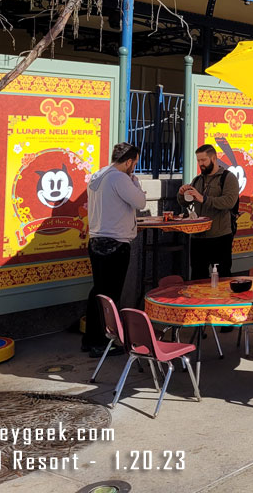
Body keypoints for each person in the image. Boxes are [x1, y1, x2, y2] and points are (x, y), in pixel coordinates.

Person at [82, 142, 146, 357]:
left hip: (97, 240)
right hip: (116, 243)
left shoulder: (98, 175)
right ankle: (102, 342)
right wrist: (135, 181)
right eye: (134, 164)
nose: (134, 168)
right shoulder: (120, 178)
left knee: (97, 291)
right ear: (128, 162)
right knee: (110, 295)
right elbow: (141, 202)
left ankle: (90, 339)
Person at [177, 144, 240, 279]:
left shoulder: (228, 178)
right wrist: (182, 194)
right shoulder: (197, 180)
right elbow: (186, 202)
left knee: (222, 277)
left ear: (214, 158)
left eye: (204, 160)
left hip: (220, 236)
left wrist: (203, 198)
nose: (201, 164)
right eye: (199, 161)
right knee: (197, 277)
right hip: (198, 237)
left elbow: (229, 202)